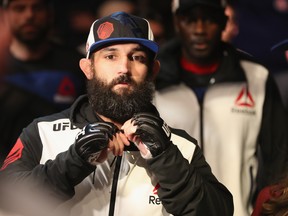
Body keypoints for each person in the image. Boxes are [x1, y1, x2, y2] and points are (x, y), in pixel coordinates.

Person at [0, 11, 234, 216]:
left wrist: (166, 158)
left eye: (137, 57)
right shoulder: (42, 133)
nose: (124, 68)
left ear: (153, 71)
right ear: (88, 68)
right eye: (111, 56)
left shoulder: (180, 146)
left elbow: (219, 211)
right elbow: (6, 201)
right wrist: (73, 161)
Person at [153, 0, 288, 215]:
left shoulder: (257, 77)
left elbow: (278, 159)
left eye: (209, 19)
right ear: (177, 22)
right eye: (190, 19)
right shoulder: (151, 80)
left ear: (224, 22)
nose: (199, 29)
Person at [0, 0, 86, 165]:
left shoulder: (77, 64)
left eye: (37, 7)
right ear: (5, 15)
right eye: (19, 8)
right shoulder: (1, 67)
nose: (29, 15)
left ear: (50, 13)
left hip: (65, 169)